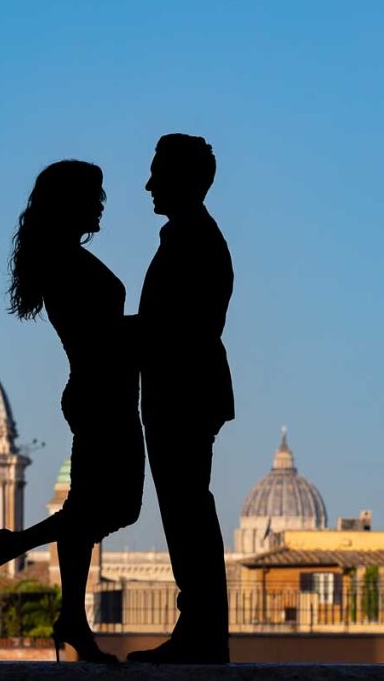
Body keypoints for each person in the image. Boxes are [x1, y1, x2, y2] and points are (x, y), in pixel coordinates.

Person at [0, 160, 144, 663]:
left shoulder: (59, 259)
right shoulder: (67, 262)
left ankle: (68, 614)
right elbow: (100, 337)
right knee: (111, 508)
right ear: (73, 203)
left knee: (88, 512)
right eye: (96, 194)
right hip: (102, 392)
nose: (103, 203)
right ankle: (13, 553)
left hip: (97, 390)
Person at [127, 134, 235, 664]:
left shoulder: (192, 240)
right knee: (188, 510)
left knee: (187, 512)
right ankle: (200, 631)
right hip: (187, 390)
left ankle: (201, 634)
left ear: (183, 179)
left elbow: (173, 328)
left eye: (157, 172)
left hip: (183, 393)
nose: (148, 183)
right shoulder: (191, 236)